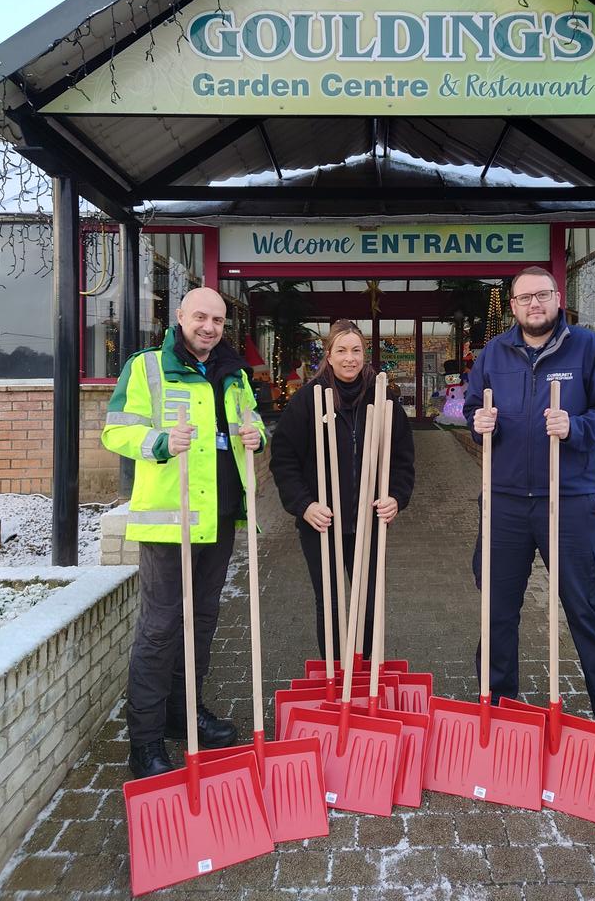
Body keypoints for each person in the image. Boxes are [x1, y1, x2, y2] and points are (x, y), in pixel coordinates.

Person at [463, 266, 595, 779]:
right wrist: (479, 424)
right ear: (513, 305)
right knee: (495, 613)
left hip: (570, 501)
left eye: (542, 295)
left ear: (556, 299)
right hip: (504, 504)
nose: (534, 305)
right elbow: (474, 407)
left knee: (588, 612)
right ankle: (497, 714)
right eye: (524, 298)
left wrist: (578, 426)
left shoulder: (586, 348)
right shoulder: (495, 354)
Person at [101, 287, 265, 779]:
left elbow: (250, 418)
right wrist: (158, 441)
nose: (209, 327)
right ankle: (145, 741)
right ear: (180, 317)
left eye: (217, 319)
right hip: (170, 522)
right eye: (200, 317)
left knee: (202, 622)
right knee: (158, 629)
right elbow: (115, 430)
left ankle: (182, 713)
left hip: (218, 518)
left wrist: (258, 432)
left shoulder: (232, 373)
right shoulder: (147, 366)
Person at [270, 319, 415, 659]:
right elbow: (284, 458)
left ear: (364, 355)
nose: (349, 358)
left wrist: (396, 497)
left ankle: (366, 673)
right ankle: (336, 677)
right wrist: (304, 505)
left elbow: (403, 458)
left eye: (356, 351)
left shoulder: (383, 398)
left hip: (369, 522)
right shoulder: (309, 400)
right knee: (331, 602)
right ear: (329, 355)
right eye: (341, 351)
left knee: (368, 598)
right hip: (322, 523)